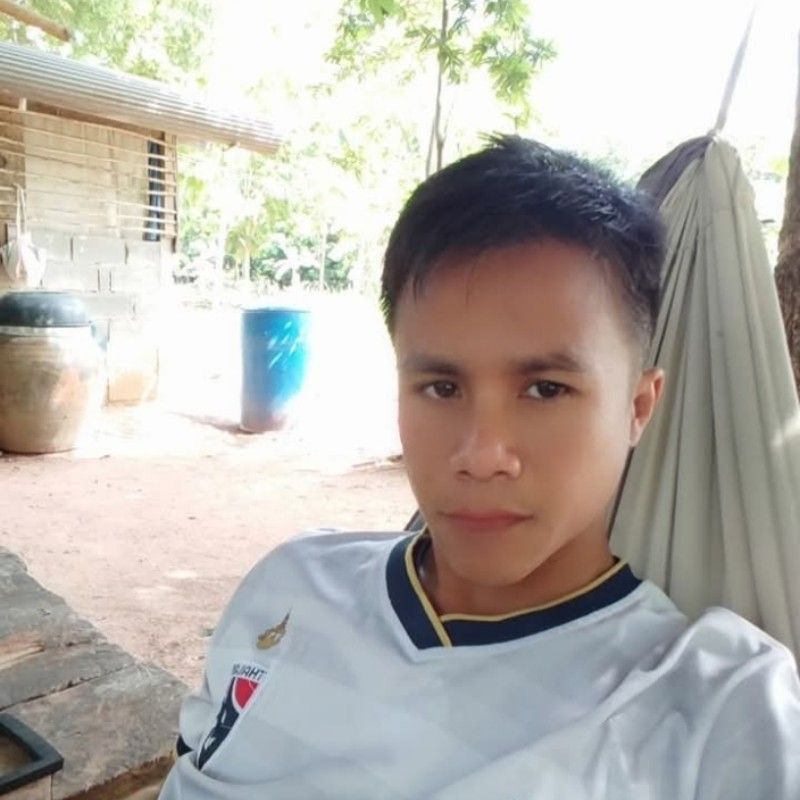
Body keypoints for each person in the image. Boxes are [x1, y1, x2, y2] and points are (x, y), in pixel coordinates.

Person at [158, 136, 800, 800]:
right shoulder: (291, 584)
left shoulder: (720, 709)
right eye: (441, 388)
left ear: (637, 407)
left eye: (545, 389)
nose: (481, 454)